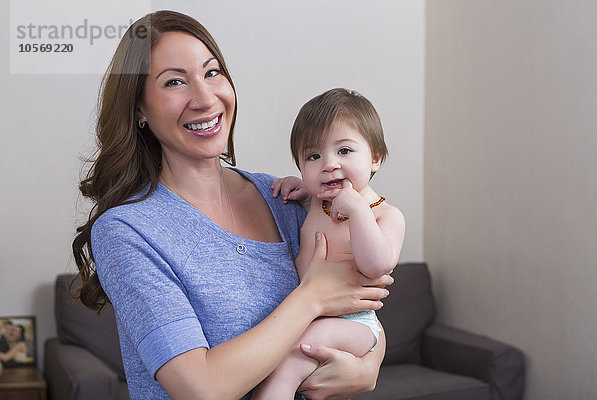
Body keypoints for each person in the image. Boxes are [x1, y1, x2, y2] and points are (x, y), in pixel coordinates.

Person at [72, 10, 393, 400]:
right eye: (175, 81)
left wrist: (369, 362)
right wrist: (311, 297)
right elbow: (198, 388)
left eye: (211, 72)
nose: (205, 98)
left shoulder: (283, 198)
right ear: (140, 109)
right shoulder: (129, 230)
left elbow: (356, 308)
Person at [253, 88, 405, 398]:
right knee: (274, 350)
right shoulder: (315, 202)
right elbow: (308, 190)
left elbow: (377, 265)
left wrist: (357, 209)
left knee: (291, 354)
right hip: (309, 311)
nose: (329, 164)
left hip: (355, 322)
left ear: (375, 158)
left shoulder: (385, 215)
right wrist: (296, 185)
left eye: (344, 151)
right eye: (313, 156)